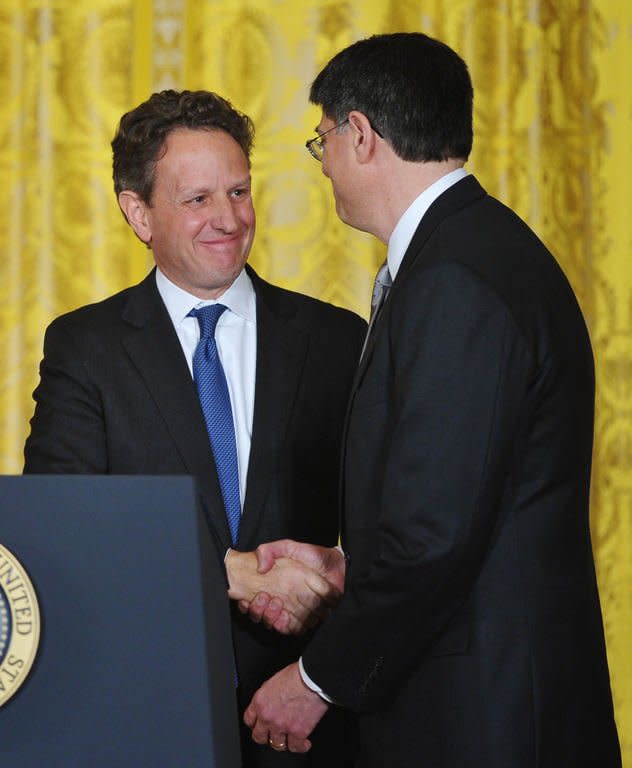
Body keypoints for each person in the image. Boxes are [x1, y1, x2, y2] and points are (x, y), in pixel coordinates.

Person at [242, 33, 622, 767]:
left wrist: (317, 680)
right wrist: (353, 567)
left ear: (359, 135)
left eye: (320, 141)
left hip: (483, 720)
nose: (322, 166)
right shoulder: (477, 250)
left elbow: (435, 536)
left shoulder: (454, 280)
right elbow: (468, 502)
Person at [23, 89, 366, 766]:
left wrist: (330, 641)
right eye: (197, 199)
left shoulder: (336, 340)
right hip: (143, 712)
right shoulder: (85, 347)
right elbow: (61, 538)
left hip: (305, 722)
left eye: (238, 192)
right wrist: (224, 573)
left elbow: (389, 533)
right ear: (138, 212)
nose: (229, 219)